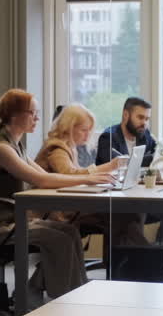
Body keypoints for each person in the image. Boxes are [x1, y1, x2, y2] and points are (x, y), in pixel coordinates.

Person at [0, 89, 115, 305]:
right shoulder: (2, 150)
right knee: (60, 239)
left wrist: (88, 177)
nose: (37, 118)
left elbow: (46, 176)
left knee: (70, 232)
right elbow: (41, 180)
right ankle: (64, 302)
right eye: (32, 113)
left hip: (13, 219)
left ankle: (78, 293)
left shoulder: (16, 147)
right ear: (14, 115)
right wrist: (87, 179)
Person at [35, 103, 149, 247]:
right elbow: (69, 174)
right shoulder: (57, 148)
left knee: (125, 214)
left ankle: (132, 255)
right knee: (124, 214)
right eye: (84, 130)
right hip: (57, 211)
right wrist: (110, 166)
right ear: (68, 127)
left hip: (67, 205)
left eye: (90, 130)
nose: (88, 134)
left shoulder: (69, 146)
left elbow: (76, 176)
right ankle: (142, 253)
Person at [95, 96, 156, 166]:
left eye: (147, 119)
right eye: (140, 117)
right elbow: (119, 166)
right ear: (125, 115)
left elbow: (157, 154)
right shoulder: (108, 138)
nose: (144, 123)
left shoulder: (145, 134)